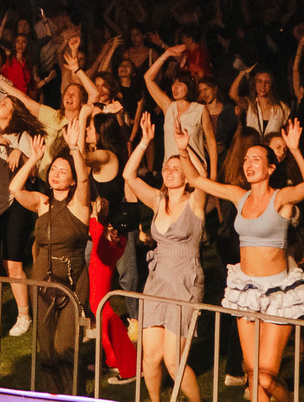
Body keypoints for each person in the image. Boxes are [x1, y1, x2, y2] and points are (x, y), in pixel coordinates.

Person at [183, 129, 304, 402]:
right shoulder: (239, 195)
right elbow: (196, 179)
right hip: (246, 289)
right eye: (246, 159)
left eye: (256, 159)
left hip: (277, 292)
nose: (249, 164)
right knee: (253, 374)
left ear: (270, 168)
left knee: (267, 378)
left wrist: (295, 149)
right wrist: (183, 148)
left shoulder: (280, 198)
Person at [6, 128, 99, 390]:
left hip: (71, 283)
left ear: (71, 181)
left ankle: (75, 395)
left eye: (63, 172)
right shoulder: (42, 203)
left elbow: (83, 182)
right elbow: (15, 187)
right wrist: (34, 159)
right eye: (54, 170)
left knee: (65, 349)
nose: (57, 174)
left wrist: (74, 150)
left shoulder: (79, 206)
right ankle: (50, 395)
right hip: (42, 281)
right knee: (47, 352)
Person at [124, 110, 207, 402]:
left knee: (174, 361)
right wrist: (145, 141)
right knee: (150, 358)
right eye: (167, 167)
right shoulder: (158, 200)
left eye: (176, 168)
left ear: (186, 176)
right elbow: (128, 175)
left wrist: (183, 150)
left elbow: (202, 176)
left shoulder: (195, 201)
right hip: (157, 282)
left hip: (184, 282)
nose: (169, 171)